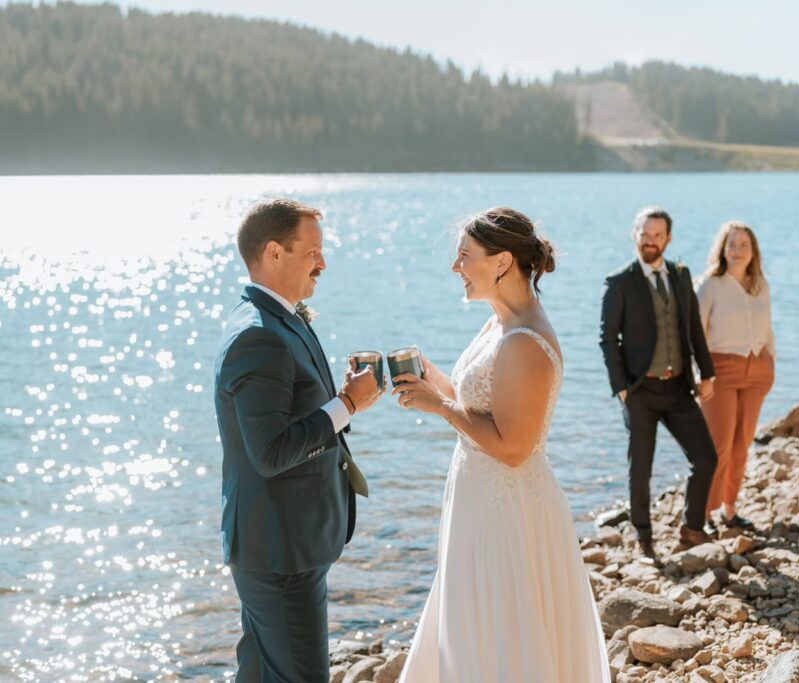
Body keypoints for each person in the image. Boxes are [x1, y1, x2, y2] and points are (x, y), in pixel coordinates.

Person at [392, 207, 610, 683]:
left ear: (502, 261)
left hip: (507, 511)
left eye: (465, 256)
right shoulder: (500, 324)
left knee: (501, 632)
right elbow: (485, 404)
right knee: (471, 624)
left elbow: (513, 447)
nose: (456, 268)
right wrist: (434, 379)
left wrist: (439, 407)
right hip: (477, 498)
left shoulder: (526, 342)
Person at [214, 199, 384, 682]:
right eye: (312, 252)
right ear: (274, 252)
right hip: (280, 551)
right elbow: (270, 453)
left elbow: (295, 413)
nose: (323, 263)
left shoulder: (278, 318)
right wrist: (346, 405)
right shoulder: (258, 336)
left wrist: (343, 398)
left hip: (282, 543)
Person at [599, 206, 718, 560]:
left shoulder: (681, 276)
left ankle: (692, 529)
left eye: (657, 235)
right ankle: (644, 536)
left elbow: (693, 327)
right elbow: (608, 339)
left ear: (668, 238)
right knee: (642, 468)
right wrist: (621, 388)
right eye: (644, 234)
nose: (650, 241)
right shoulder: (619, 283)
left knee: (706, 459)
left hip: (679, 388)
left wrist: (706, 373)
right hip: (640, 391)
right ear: (634, 236)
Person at [696, 221, 774, 534]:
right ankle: (705, 513)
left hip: (757, 369)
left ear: (753, 250)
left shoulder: (760, 284)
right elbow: (696, 334)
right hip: (720, 370)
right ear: (722, 249)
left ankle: (730, 509)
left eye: (744, 244)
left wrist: (771, 361)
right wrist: (701, 375)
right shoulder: (709, 284)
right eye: (732, 244)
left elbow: (768, 327)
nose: (738, 250)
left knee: (742, 443)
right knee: (719, 445)